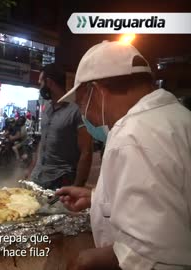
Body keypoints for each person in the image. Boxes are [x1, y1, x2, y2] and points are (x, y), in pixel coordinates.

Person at [55, 41, 191, 269]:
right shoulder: (179, 118)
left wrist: (87, 260)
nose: (85, 116)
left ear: (97, 92)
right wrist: (97, 199)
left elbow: (154, 258)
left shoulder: (130, 135)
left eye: (81, 105)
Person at [25, 63, 93, 189]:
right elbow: (43, 141)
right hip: (39, 177)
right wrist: (32, 168)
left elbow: (86, 151)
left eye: (41, 83)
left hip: (61, 181)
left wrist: (77, 186)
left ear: (49, 83)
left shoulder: (76, 111)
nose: (40, 87)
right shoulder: (47, 109)